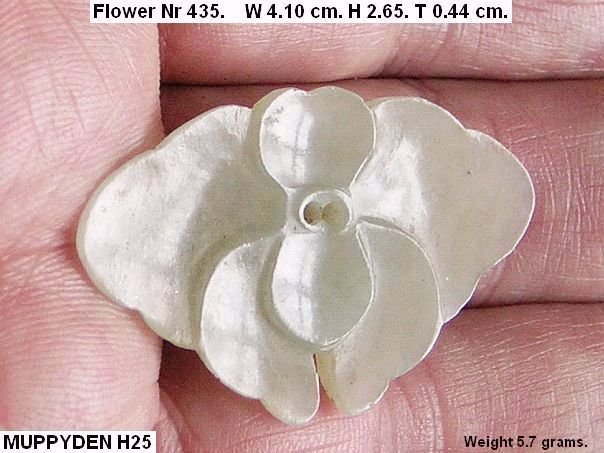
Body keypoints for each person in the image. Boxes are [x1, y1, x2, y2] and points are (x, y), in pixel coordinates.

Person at [0, 2, 602, 450]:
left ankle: (341, 372)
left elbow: (490, 198)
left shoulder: (419, 188)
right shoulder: (200, 199)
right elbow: (122, 237)